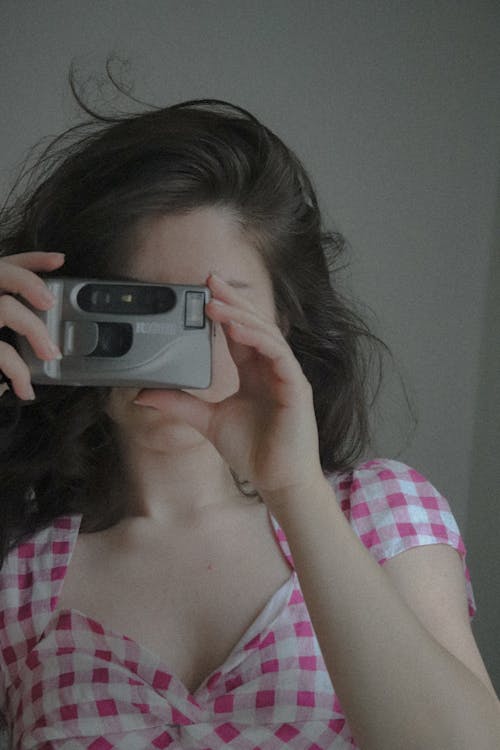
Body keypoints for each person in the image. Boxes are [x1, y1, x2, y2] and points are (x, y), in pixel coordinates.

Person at [0, 78, 498, 750]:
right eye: (134, 307)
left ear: (281, 321)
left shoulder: (380, 514)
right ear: (56, 311)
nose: (173, 351)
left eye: (208, 308)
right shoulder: (18, 562)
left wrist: (293, 491)